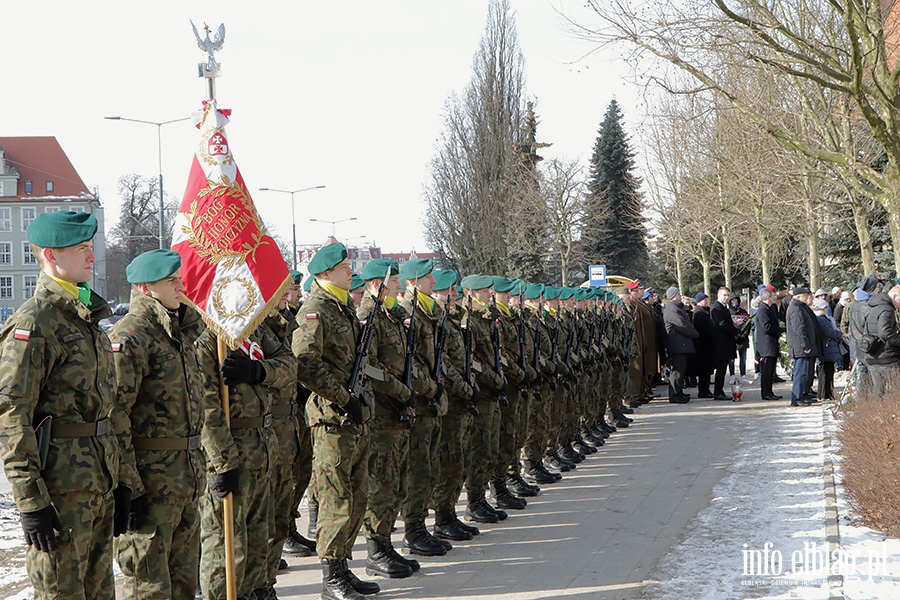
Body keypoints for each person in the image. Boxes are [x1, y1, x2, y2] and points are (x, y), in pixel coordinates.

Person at [0, 211, 129, 599]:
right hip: (60, 491)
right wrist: (31, 500)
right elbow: (11, 415)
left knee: (101, 591)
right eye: (83, 249)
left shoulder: (86, 316)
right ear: (52, 255)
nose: (92, 257)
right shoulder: (36, 323)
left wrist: (122, 481)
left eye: (91, 248)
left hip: (99, 484)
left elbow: (107, 410)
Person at [110, 249, 235, 600]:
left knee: (183, 585)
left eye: (178, 278)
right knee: (150, 586)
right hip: (150, 485)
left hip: (185, 479)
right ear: (147, 288)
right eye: (171, 281)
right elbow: (115, 415)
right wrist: (128, 484)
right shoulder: (132, 336)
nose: (181, 286)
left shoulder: (180, 333)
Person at [293, 242, 380, 600]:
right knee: (335, 500)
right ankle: (331, 578)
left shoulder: (341, 307)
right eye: (344, 266)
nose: (350, 271)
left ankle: (343, 567)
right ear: (325, 273)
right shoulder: (316, 309)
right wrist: (344, 398)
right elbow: (304, 363)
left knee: (357, 496)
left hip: (354, 418)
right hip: (332, 420)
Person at [357, 258, 423, 578]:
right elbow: (367, 367)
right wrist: (399, 390)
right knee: (380, 484)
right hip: (382, 413)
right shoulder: (368, 317)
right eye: (394, 282)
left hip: (398, 412)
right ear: (376, 285)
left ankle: (385, 542)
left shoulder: (392, 315)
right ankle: (374, 550)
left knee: (395, 484)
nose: (399, 287)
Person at [861, 284, 900, 397]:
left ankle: (876, 413)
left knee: (877, 393)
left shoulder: (874, 307)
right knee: (894, 393)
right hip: (887, 358)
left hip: (873, 355)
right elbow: (885, 332)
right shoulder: (887, 309)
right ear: (895, 295)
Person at [785, 287, 821, 407]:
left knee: (804, 372)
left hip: (802, 346)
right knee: (799, 373)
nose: (808, 297)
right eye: (805, 295)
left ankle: (802, 395)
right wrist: (804, 344)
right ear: (799, 296)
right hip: (799, 347)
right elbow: (799, 328)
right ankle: (796, 397)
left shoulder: (801, 307)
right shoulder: (795, 309)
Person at [662, 287, 698, 404]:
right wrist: (695, 333)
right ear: (673, 296)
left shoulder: (676, 307)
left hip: (681, 344)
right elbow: (682, 325)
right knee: (677, 371)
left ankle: (679, 392)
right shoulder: (672, 309)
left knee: (681, 371)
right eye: (678, 294)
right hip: (678, 344)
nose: (680, 296)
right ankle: (674, 394)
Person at [710, 287, 738, 400]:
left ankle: (719, 391)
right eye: (724, 295)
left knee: (723, 369)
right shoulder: (716, 308)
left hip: (725, 343)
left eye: (727, 295)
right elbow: (721, 324)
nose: (726, 297)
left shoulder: (723, 307)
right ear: (718, 295)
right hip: (721, 344)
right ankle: (718, 392)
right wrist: (734, 329)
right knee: (721, 370)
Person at [755, 287, 784, 400]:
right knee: (766, 371)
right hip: (766, 346)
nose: (774, 298)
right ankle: (766, 393)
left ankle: (769, 392)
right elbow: (766, 327)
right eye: (772, 296)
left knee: (770, 370)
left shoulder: (768, 308)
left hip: (770, 344)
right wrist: (780, 330)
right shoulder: (762, 310)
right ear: (768, 297)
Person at [812, 297, 842, 401]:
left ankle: (827, 392)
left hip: (828, 347)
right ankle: (824, 394)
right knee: (825, 371)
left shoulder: (824, 318)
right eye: (825, 307)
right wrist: (839, 334)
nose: (827, 309)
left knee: (828, 371)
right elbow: (827, 331)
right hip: (826, 348)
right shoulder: (820, 318)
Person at [691, 293, 714, 398]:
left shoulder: (704, 311)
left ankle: (706, 389)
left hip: (707, 345)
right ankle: (703, 390)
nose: (707, 301)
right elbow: (704, 330)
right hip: (703, 345)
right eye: (705, 300)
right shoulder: (699, 313)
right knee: (704, 369)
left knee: (706, 369)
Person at [727, 292, 751, 384]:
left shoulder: (743, 312)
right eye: (732, 300)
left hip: (743, 340)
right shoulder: (728, 312)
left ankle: (743, 375)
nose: (734, 302)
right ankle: (732, 375)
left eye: (736, 300)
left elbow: (747, 324)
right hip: (732, 340)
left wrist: (744, 335)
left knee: (743, 358)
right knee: (731, 359)